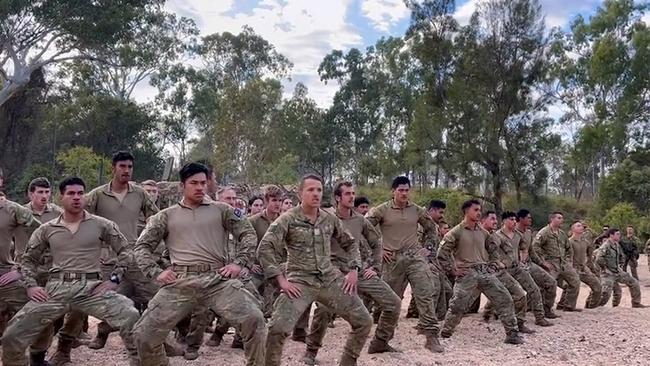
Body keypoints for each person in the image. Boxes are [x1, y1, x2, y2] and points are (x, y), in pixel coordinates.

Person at [132, 162, 266, 366]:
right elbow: (141, 247)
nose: (200, 187)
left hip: (218, 280)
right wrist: (155, 272)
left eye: (203, 182)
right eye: (194, 183)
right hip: (181, 282)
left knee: (254, 320)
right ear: (181, 186)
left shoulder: (223, 210)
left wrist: (240, 263)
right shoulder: (165, 216)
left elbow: (247, 233)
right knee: (144, 334)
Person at [1, 177, 140, 366]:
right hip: (56, 289)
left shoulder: (102, 225)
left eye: (80, 193)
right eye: (71, 193)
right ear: (61, 197)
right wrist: (31, 286)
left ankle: (140, 360)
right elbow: (28, 260)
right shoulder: (46, 229)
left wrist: (114, 279)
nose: (76, 197)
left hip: (91, 289)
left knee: (130, 315)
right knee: (12, 335)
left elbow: (126, 250)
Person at [258, 174, 372, 366]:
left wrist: (353, 269)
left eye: (319, 189)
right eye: (310, 189)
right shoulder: (288, 219)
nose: (316, 194)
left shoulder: (329, 219)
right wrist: (281, 280)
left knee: (364, 321)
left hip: (328, 280)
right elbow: (265, 247)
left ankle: (347, 362)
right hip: (300, 282)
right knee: (277, 329)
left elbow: (351, 244)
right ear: (300, 193)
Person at [63, 151, 159, 352]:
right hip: (107, 258)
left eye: (130, 167)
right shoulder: (97, 195)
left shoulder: (139, 193)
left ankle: (155, 343)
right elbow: (76, 214)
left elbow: (156, 218)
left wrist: (149, 241)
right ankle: (84, 338)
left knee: (157, 296)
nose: (127, 171)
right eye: (122, 166)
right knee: (110, 301)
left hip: (134, 256)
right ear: (113, 168)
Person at [303, 181, 401, 365]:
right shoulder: (324, 217)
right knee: (324, 308)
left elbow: (376, 242)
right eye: (347, 194)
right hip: (332, 269)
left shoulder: (359, 220)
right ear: (338, 198)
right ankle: (311, 350)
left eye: (353, 193)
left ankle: (380, 342)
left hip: (357, 269)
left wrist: (375, 267)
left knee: (393, 303)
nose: (352, 197)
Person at [365, 176, 444, 353]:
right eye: (400, 190)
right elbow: (365, 229)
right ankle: (380, 341)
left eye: (407, 190)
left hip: (415, 257)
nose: (404, 193)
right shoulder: (382, 210)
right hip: (392, 260)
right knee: (391, 302)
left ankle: (431, 337)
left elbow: (431, 228)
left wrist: (428, 248)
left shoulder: (416, 210)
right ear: (393, 191)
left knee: (425, 292)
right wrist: (378, 249)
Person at [437, 199, 523, 344]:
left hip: (485, 273)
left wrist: (494, 263)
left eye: (479, 210)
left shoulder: (483, 232)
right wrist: (452, 270)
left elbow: (493, 248)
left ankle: (512, 334)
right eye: (475, 210)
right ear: (466, 211)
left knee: (505, 298)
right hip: (466, 274)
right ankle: (446, 332)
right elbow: (442, 253)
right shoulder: (456, 232)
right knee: (458, 304)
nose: (479, 213)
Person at [482, 211, 538, 333]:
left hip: (515, 268)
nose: (514, 222)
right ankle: (487, 314)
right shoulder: (496, 236)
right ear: (505, 221)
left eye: (515, 220)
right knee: (501, 294)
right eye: (511, 219)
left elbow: (524, 248)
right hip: (499, 270)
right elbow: (491, 253)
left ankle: (520, 322)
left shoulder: (518, 235)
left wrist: (523, 259)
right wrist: (498, 263)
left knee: (523, 293)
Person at [532, 212, 581, 312]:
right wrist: (543, 261)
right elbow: (535, 247)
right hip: (551, 263)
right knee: (548, 285)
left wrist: (568, 261)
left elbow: (569, 248)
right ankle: (542, 308)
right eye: (559, 218)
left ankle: (568, 305)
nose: (561, 220)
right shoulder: (544, 232)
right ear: (552, 219)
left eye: (562, 218)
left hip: (562, 263)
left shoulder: (562, 234)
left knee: (575, 281)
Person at [596, 228, 646, 308]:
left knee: (634, 282)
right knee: (606, 293)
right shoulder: (605, 246)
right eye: (617, 234)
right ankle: (596, 306)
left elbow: (621, 256)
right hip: (608, 273)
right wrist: (605, 268)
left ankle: (636, 303)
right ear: (611, 235)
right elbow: (598, 259)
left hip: (617, 271)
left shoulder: (616, 245)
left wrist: (620, 266)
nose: (619, 236)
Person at [565, 222, 601, 308]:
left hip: (583, 268)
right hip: (573, 268)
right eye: (578, 226)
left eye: (582, 226)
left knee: (597, 286)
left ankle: (591, 306)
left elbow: (590, 255)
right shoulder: (569, 242)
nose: (581, 227)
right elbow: (565, 256)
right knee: (572, 286)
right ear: (573, 229)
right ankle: (568, 306)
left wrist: (591, 266)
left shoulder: (585, 242)